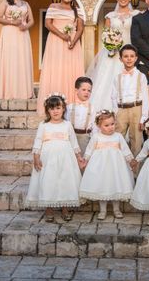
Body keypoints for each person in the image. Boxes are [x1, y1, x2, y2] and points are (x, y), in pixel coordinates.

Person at [25, 94, 85, 222]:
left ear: (63, 109)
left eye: (58, 108)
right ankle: (49, 208)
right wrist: (36, 157)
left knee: (64, 180)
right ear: (47, 111)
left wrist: (78, 157)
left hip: (66, 158)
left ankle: (64, 207)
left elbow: (74, 142)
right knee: (49, 180)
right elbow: (38, 141)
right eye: (52, 109)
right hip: (48, 158)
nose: (55, 111)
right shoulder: (44, 125)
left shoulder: (67, 125)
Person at [86, 0, 140, 110]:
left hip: (130, 52)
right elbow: (105, 35)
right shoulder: (110, 16)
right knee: (108, 80)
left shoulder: (136, 15)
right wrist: (111, 43)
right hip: (113, 52)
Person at [36, 0, 85, 115]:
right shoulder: (53, 6)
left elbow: (80, 28)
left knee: (70, 70)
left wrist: (74, 41)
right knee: (56, 69)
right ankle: (54, 103)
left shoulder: (77, 10)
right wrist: (62, 35)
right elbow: (48, 24)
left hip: (72, 43)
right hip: (56, 41)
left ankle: (71, 102)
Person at [79, 110, 136, 220]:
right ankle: (103, 210)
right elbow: (89, 150)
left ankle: (116, 209)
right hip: (101, 166)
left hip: (116, 166)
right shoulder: (96, 137)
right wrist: (85, 160)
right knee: (102, 186)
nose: (110, 127)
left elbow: (125, 149)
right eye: (106, 125)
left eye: (112, 124)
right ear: (99, 126)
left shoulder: (118, 136)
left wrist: (131, 160)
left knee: (116, 185)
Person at [0, 0, 34, 99]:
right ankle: (8, 90)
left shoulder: (26, 4)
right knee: (10, 59)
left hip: (23, 34)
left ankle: (23, 91)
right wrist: (13, 22)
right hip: (9, 33)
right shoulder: (5, 3)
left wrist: (25, 26)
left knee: (22, 59)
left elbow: (31, 20)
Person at [111, 44, 149, 156]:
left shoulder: (141, 76)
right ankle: (118, 165)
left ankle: (135, 171)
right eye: (126, 56)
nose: (129, 59)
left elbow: (146, 98)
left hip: (136, 109)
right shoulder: (117, 77)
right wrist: (115, 113)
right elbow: (113, 96)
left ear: (136, 58)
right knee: (118, 139)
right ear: (120, 59)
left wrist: (143, 118)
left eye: (132, 56)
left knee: (136, 141)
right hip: (121, 110)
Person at [65, 76, 96, 153]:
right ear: (76, 90)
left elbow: (94, 126)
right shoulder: (69, 107)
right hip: (71, 136)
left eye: (89, 91)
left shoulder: (92, 108)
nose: (87, 92)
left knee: (83, 157)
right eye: (84, 90)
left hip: (85, 137)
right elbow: (66, 122)